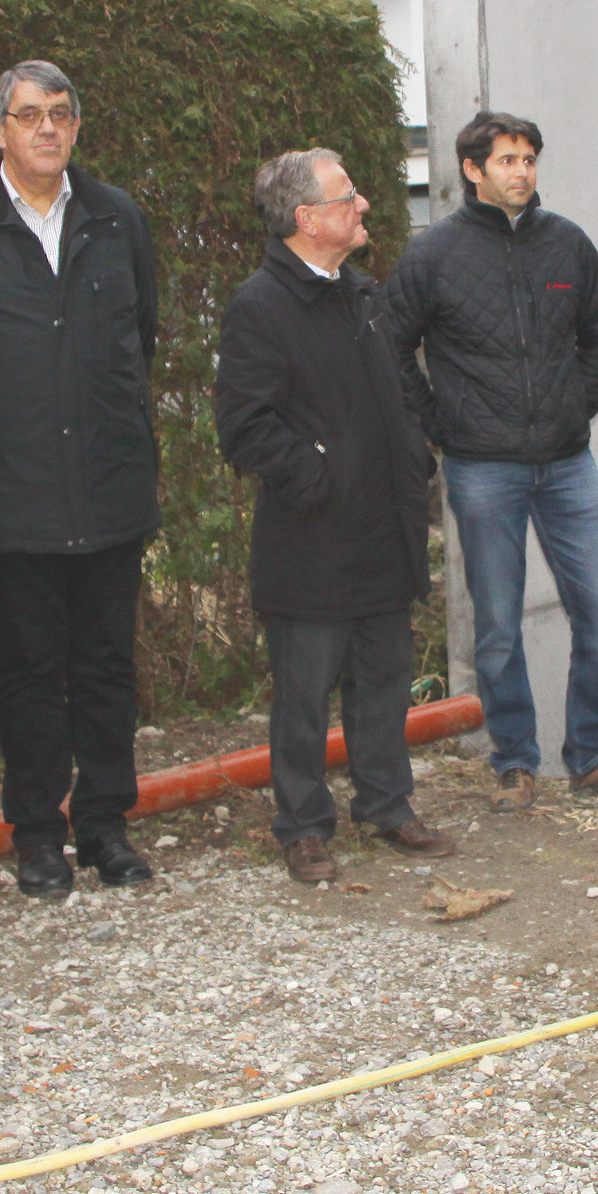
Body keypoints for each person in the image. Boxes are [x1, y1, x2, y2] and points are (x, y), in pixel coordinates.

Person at [0, 61, 161, 897]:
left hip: (110, 485)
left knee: (107, 669)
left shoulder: (118, 220)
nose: (48, 127)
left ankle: (107, 826)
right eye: (29, 114)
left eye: (61, 113)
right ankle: (38, 834)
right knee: (29, 674)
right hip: (13, 498)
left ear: (77, 127)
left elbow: (142, 336)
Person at [383, 111, 598, 814]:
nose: (522, 172)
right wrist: (441, 423)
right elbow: (388, 342)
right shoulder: (433, 255)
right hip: (482, 469)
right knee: (499, 625)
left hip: (567, 464)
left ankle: (593, 757)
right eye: (507, 160)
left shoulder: (567, 244)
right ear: (473, 170)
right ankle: (515, 763)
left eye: (529, 159)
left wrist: (575, 408)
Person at [214, 149, 457, 884]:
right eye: (347, 196)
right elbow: (245, 427)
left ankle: (387, 804)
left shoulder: (362, 295)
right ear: (306, 218)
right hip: (311, 540)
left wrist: (413, 457)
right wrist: (321, 479)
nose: (364, 206)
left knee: (383, 680)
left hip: (383, 532)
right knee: (304, 693)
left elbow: (400, 392)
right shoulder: (261, 305)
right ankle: (303, 827)